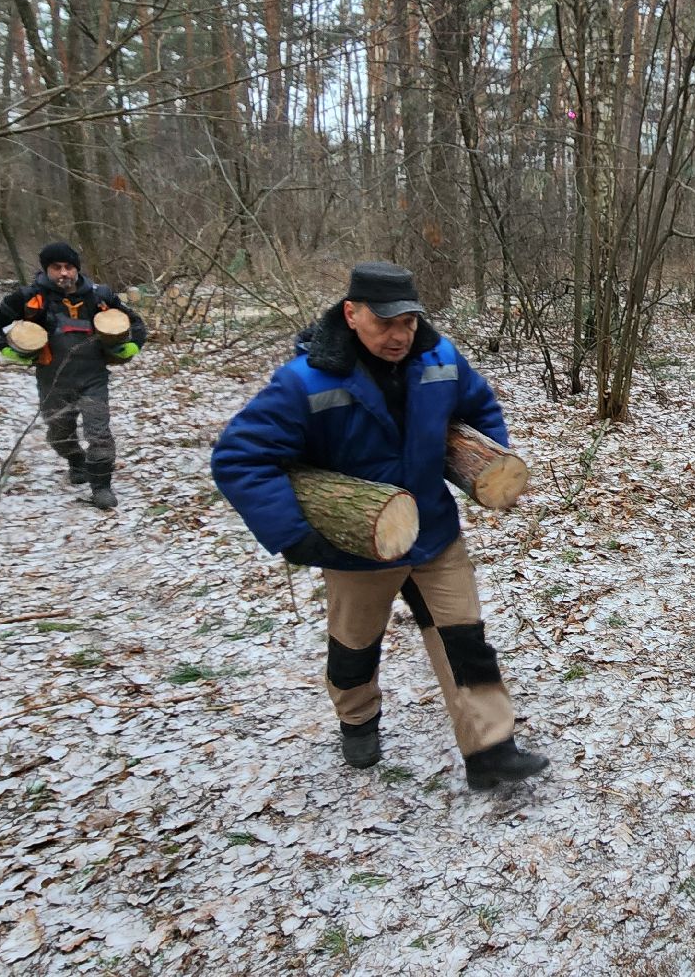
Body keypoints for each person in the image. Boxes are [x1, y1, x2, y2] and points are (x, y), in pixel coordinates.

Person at [210, 262, 549, 789]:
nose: (399, 335)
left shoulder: (440, 359)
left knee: (465, 640)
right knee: (355, 643)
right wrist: (294, 533)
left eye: (409, 322)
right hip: (358, 546)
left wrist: (482, 464)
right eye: (385, 322)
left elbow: (480, 411)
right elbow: (240, 457)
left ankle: (491, 751)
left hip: (435, 532)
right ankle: (358, 719)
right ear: (351, 313)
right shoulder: (305, 380)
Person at [0, 242, 147, 509]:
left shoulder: (99, 296)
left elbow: (136, 323)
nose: (64, 273)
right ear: (47, 270)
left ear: (77, 269)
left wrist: (133, 345)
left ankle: (101, 487)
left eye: (69, 267)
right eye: (57, 268)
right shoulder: (30, 298)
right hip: (52, 378)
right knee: (59, 434)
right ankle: (75, 460)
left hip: (93, 377)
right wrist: (6, 350)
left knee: (99, 433)